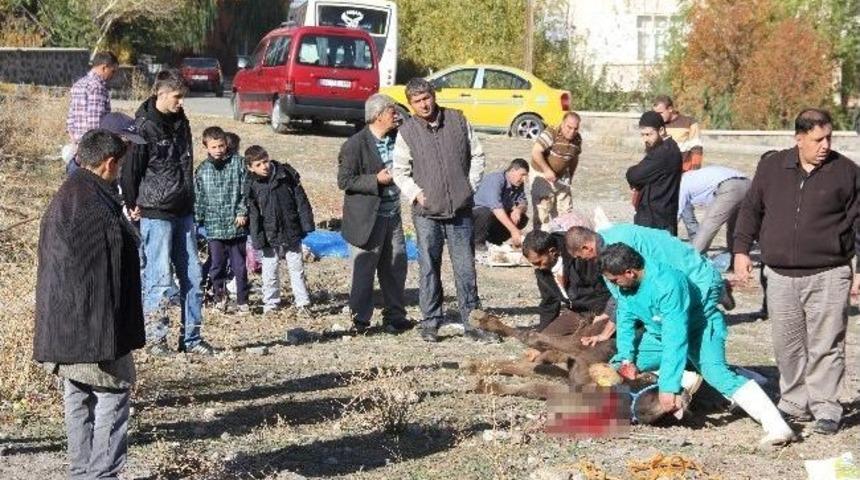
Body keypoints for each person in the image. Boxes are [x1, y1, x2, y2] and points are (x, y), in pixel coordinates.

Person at [733, 108, 860, 435]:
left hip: (830, 273)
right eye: (818, 139)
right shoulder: (771, 167)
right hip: (779, 275)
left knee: (826, 344)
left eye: (829, 137)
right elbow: (750, 211)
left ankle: (826, 408)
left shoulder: (847, 172)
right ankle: (793, 403)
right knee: (787, 343)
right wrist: (740, 251)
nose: (825, 145)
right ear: (798, 138)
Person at [597, 243, 795, 446]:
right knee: (618, 366)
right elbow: (626, 318)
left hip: (697, 330)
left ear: (629, 272)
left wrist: (668, 386)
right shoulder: (623, 285)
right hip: (658, 335)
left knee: (715, 373)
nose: (614, 285)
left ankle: (777, 426)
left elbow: (676, 338)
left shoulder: (667, 284)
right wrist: (626, 357)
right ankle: (686, 379)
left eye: (615, 280)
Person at [34, 129, 145, 478]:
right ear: (109, 163)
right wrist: (111, 343)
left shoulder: (66, 195)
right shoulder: (98, 207)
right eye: (121, 165)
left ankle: (82, 474)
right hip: (98, 332)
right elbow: (111, 276)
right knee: (112, 398)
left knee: (77, 398)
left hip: (63, 329)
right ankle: (101, 475)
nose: (121, 171)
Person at [392, 77, 495, 343]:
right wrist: (416, 193)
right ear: (410, 104)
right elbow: (400, 171)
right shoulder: (407, 132)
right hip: (427, 214)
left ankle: (473, 322)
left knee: (465, 268)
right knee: (428, 267)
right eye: (417, 101)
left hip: (461, 211)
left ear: (434, 95)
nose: (424, 105)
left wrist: (469, 186)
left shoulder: (458, 120)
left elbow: (478, 154)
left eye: (426, 98)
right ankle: (430, 321)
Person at [121, 69, 213, 356]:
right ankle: (157, 339)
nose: (181, 102)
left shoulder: (181, 121)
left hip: (184, 210)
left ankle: (192, 339)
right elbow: (129, 170)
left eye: (183, 97)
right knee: (159, 279)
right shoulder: (143, 126)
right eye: (177, 97)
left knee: (193, 278)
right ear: (161, 94)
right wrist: (132, 203)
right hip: (155, 212)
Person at [337, 93, 411, 333]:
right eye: (392, 111)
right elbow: (345, 181)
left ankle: (395, 315)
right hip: (367, 219)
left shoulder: (398, 138)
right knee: (364, 270)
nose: (396, 114)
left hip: (393, 216)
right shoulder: (354, 145)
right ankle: (360, 319)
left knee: (396, 265)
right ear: (378, 116)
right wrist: (375, 180)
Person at [245, 145, 315, 316]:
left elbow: (301, 201)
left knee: (296, 267)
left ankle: (303, 303)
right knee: (269, 269)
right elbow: (253, 214)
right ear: (250, 168)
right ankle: (270, 304)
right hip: (268, 234)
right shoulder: (251, 185)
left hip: (290, 229)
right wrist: (257, 237)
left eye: (265, 161)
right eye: (258, 164)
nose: (264, 166)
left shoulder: (286, 175)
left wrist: (306, 224)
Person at [194, 126, 249, 313]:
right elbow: (199, 197)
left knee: (239, 266)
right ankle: (219, 297)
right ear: (206, 147)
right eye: (214, 146)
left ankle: (242, 301)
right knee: (216, 265)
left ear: (227, 145)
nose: (218, 150)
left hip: (236, 225)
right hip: (214, 226)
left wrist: (242, 212)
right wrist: (197, 220)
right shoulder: (202, 170)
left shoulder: (239, 164)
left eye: (221, 146)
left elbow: (245, 191)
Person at [521, 230, 613, 332]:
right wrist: (542, 333)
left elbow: (602, 290)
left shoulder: (579, 255)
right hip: (577, 312)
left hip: (601, 310)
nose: (537, 267)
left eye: (539, 262)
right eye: (533, 264)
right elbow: (549, 303)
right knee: (547, 338)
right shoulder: (541, 270)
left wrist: (602, 316)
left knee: (593, 341)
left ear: (552, 251)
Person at [627, 111, 683, 235]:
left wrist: (632, 173)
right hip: (659, 216)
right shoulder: (665, 149)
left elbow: (634, 175)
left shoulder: (664, 153)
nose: (645, 139)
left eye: (648, 134)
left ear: (661, 130)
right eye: (642, 135)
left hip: (657, 220)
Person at [65, 51, 119, 174]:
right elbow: (96, 122)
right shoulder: (97, 87)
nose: (113, 75)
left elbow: (70, 119)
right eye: (113, 71)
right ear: (104, 67)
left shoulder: (79, 84)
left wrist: (76, 142)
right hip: (92, 151)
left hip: (78, 149)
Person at [677, 165, 750, 253]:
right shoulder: (693, 176)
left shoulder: (681, 183)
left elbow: (677, 213)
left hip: (729, 186)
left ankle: (693, 259)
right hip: (748, 183)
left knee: (708, 225)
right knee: (735, 228)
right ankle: (735, 260)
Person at [529, 112, 582, 230]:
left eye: (575, 128)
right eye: (569, 127)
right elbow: (536, 152)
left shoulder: (577, 139)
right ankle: (540, 237)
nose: (572, 131)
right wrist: (547, 170)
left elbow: (573, 158)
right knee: (543, 207)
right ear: (563, 124)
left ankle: (562, 238)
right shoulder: (551, 133)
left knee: (566, 210)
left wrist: (570, 177)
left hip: (561, 176)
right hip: (541, 172)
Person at [472, 158, 529, 252]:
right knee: (486, 212)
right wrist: (514, 230)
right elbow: (496, 208)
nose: (524, 179)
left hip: (493, 217)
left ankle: (494, 241)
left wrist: (518, 210)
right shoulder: (495, 179)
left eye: (526, 176)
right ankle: (476, 242)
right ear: (513, 170)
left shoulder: (518, 184)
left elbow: (523, 202)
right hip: (477, 215)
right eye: (522, 175)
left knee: (522, 218)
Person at [653, 95, 703, 171]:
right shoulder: (656, 124)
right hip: (664, 174)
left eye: (660, 113)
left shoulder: (689, 122)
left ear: (670, 109)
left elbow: (696, 148)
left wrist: (695, 171)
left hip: (685, 172)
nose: (657, 116)